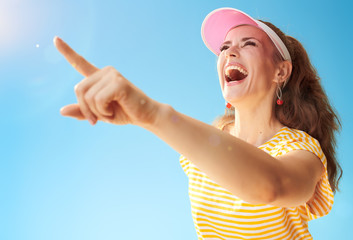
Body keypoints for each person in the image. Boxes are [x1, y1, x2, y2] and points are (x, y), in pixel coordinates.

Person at [54, 7, 342, 240]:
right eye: (225, 47)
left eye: (249, 43)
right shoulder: (207, 142)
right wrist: (144, 119)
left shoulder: (301, 148)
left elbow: (271, 186)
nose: (229, 52)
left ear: (281, 71)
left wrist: (152, 114)